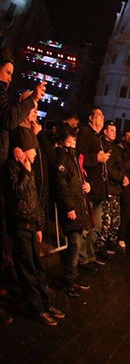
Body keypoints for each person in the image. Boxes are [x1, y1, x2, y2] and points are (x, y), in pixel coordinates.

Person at [4, 124, 64, 325]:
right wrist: (26, 171)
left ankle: (45, 303)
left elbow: (34, 201)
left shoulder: (28, 170)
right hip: (21, 227)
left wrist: (39, 226)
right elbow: (19, 194)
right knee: (27, 268)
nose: (37, 154)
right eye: (34, 150)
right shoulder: (12, 168)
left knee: (37, 267)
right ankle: (36, 307)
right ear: (23, 150)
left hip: (31, 227)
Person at [55, 128, 92, 298]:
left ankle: (73, 276)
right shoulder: (62, 156)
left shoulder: (74, 157)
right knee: (75, 244)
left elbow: (78, 179)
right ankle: (69, 279)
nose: (72, 145)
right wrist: (69, 206)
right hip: (71, 208)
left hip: (79, 205)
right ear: (63, 141)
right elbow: (61, 183)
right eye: (69, 142)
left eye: (74, 142)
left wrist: (87, 185)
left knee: (76, 244)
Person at [75, 107, 108, 267]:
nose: (102, 118)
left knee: (96, 226)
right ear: (90, 117)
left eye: (103, 116)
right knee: (87, 227)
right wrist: (97, 157)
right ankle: (83, 258)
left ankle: (90, 255)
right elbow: (79, 158)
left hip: (98, 188)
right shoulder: (85, 133)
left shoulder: (97, 137)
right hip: (89, 188)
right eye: (99, 115)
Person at [100, 121, 124, 254]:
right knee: (106, 219)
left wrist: (123, 177)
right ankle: (102, 244)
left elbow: (121, 166)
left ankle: (111, 241)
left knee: (116, 218)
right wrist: (121, 177)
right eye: (111, 130)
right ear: (105, 131)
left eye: (115, 131)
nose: (114, 133)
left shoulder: (117, 149)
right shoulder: (103, 146)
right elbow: (108, 168)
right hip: (107, 188)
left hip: (116, 189)